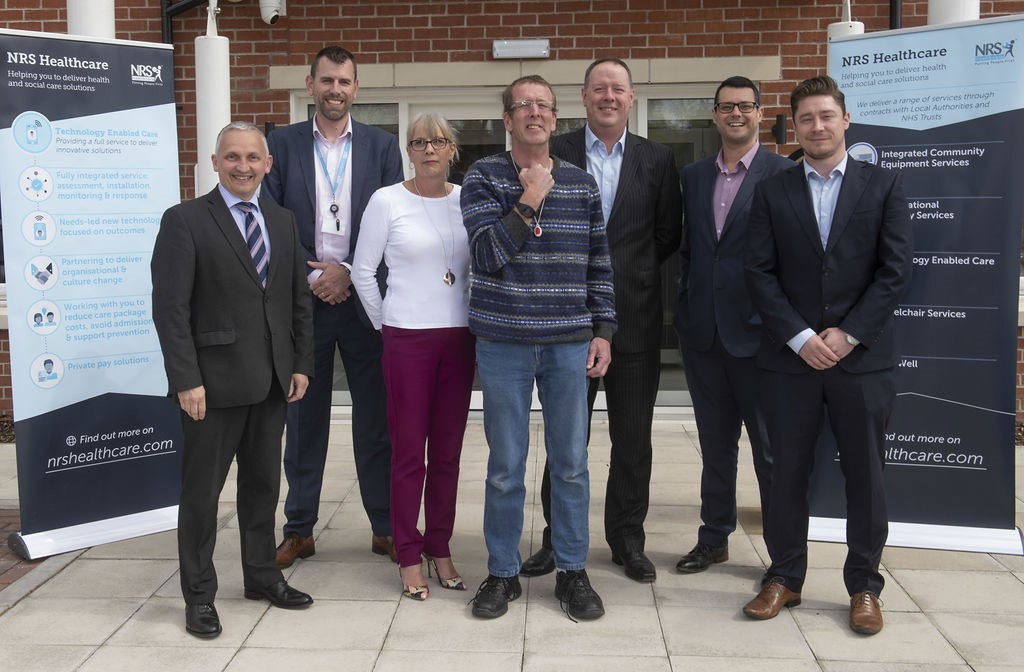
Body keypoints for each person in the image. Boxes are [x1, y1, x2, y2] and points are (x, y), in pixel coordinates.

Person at [742, 75, 912, 636]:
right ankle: (785, 577)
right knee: (785, 473)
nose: (818, 126)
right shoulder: (772, 190)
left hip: (860, 362)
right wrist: (800, 336)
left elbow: (894, 272)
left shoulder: (883, 186)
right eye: (807, 118)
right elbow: (759, 273)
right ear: (796, 126)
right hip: (790, 362)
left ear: (845, 120)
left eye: (826, 116)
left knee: (866, 477)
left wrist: (848, 334)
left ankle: (864, 585)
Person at [151, 121, 316, 639]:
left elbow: (296, 301)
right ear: (215, 162)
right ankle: (199, 595)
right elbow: (170, 309)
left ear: (268, 164)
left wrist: (301, 364)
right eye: (232, 157)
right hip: (211, 387)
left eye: (252, 157)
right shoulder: (185, 221)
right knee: (202, 495)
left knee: (263, 487)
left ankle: (261, 574)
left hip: (270, 383)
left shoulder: (282, 220)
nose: (243, 166)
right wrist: (185, 380)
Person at [462, 75, 617, 621]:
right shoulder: (482, 177)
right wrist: (530, 197)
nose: (534, 113)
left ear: (555, 118)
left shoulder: (581, 183)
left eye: (543, 105)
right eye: (523, 105)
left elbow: (600, 261)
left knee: (571, 464)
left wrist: (604, 329)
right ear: (507, 119)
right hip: (504, 342)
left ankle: (572, 571)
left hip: (569, 344)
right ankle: (502, 573)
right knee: (506, 465)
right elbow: (485, 255)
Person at [520, 58, 681, 584]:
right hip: (565, 323)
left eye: (618, 89)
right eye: (598, 89)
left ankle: (627, 540)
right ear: (584, 98)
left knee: (633, 440)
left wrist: (624, 280)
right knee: (568, 441)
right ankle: (554, 539)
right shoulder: (556, 152)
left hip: (633, 322)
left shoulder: (657, 160)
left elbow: (666, 238)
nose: (608, 97)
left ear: (631, 98)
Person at [264, 46, 404, 567]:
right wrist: (315, 273)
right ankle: (299, 529)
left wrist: (347, 273)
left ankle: (385, 526)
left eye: (344, 81)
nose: (335, 90)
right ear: (310, 83)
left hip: (365, 299)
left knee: (376, 419)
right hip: (306, 302)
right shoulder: (281, 144)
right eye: (327, 80)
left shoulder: (382, 147)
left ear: (356, 88)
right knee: (302, 421)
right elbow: (273, 221)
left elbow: (393, 219)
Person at [351, 113, 474, 601]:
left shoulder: (468, 199)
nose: (428, 150)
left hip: (459, 340)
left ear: (452, 151)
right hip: (406, 340)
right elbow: (362, 272)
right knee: (408, 454)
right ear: (408, 149)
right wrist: (389, 326)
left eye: (438, 141)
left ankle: (439, 545)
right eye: (419, 142)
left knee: (447, 453)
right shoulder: (387, 201)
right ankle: (407, 552)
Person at [673, 76, 792, 574]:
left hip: (761, 336)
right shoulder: (695, 176)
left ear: (759, 113)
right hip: (704, 335)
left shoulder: (784, 173)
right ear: (715, 114)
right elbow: (691, 249)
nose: (735, 114)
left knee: (770, 450)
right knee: (715, 446)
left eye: (745, 106)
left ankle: (784, 554)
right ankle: (714, 536)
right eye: (726, 107)